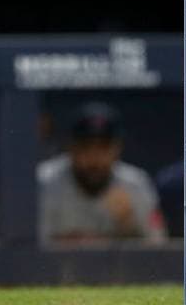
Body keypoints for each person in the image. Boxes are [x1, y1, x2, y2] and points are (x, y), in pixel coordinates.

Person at [38, 102, 165, 243]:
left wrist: (129, 224)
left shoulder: (135, 185)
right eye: (86, 146)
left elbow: (158, 243)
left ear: (117, 148)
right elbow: (28, 247)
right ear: (70, 147)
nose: (94, 157)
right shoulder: (45, 182)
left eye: (103, 147)